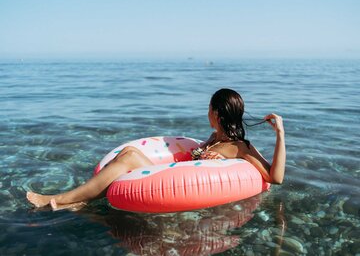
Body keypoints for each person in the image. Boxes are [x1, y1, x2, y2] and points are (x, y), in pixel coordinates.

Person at [27, 88, 286, 211]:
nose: (207, 113)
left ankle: (59, 199)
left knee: (128, 157)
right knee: (127, 155)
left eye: (209, 109)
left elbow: (275, 178)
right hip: (169, 173)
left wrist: (280, 135)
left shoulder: (240, 147)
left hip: (178, 183)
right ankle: (78, 199)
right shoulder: (212, 136)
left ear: (216, 113)